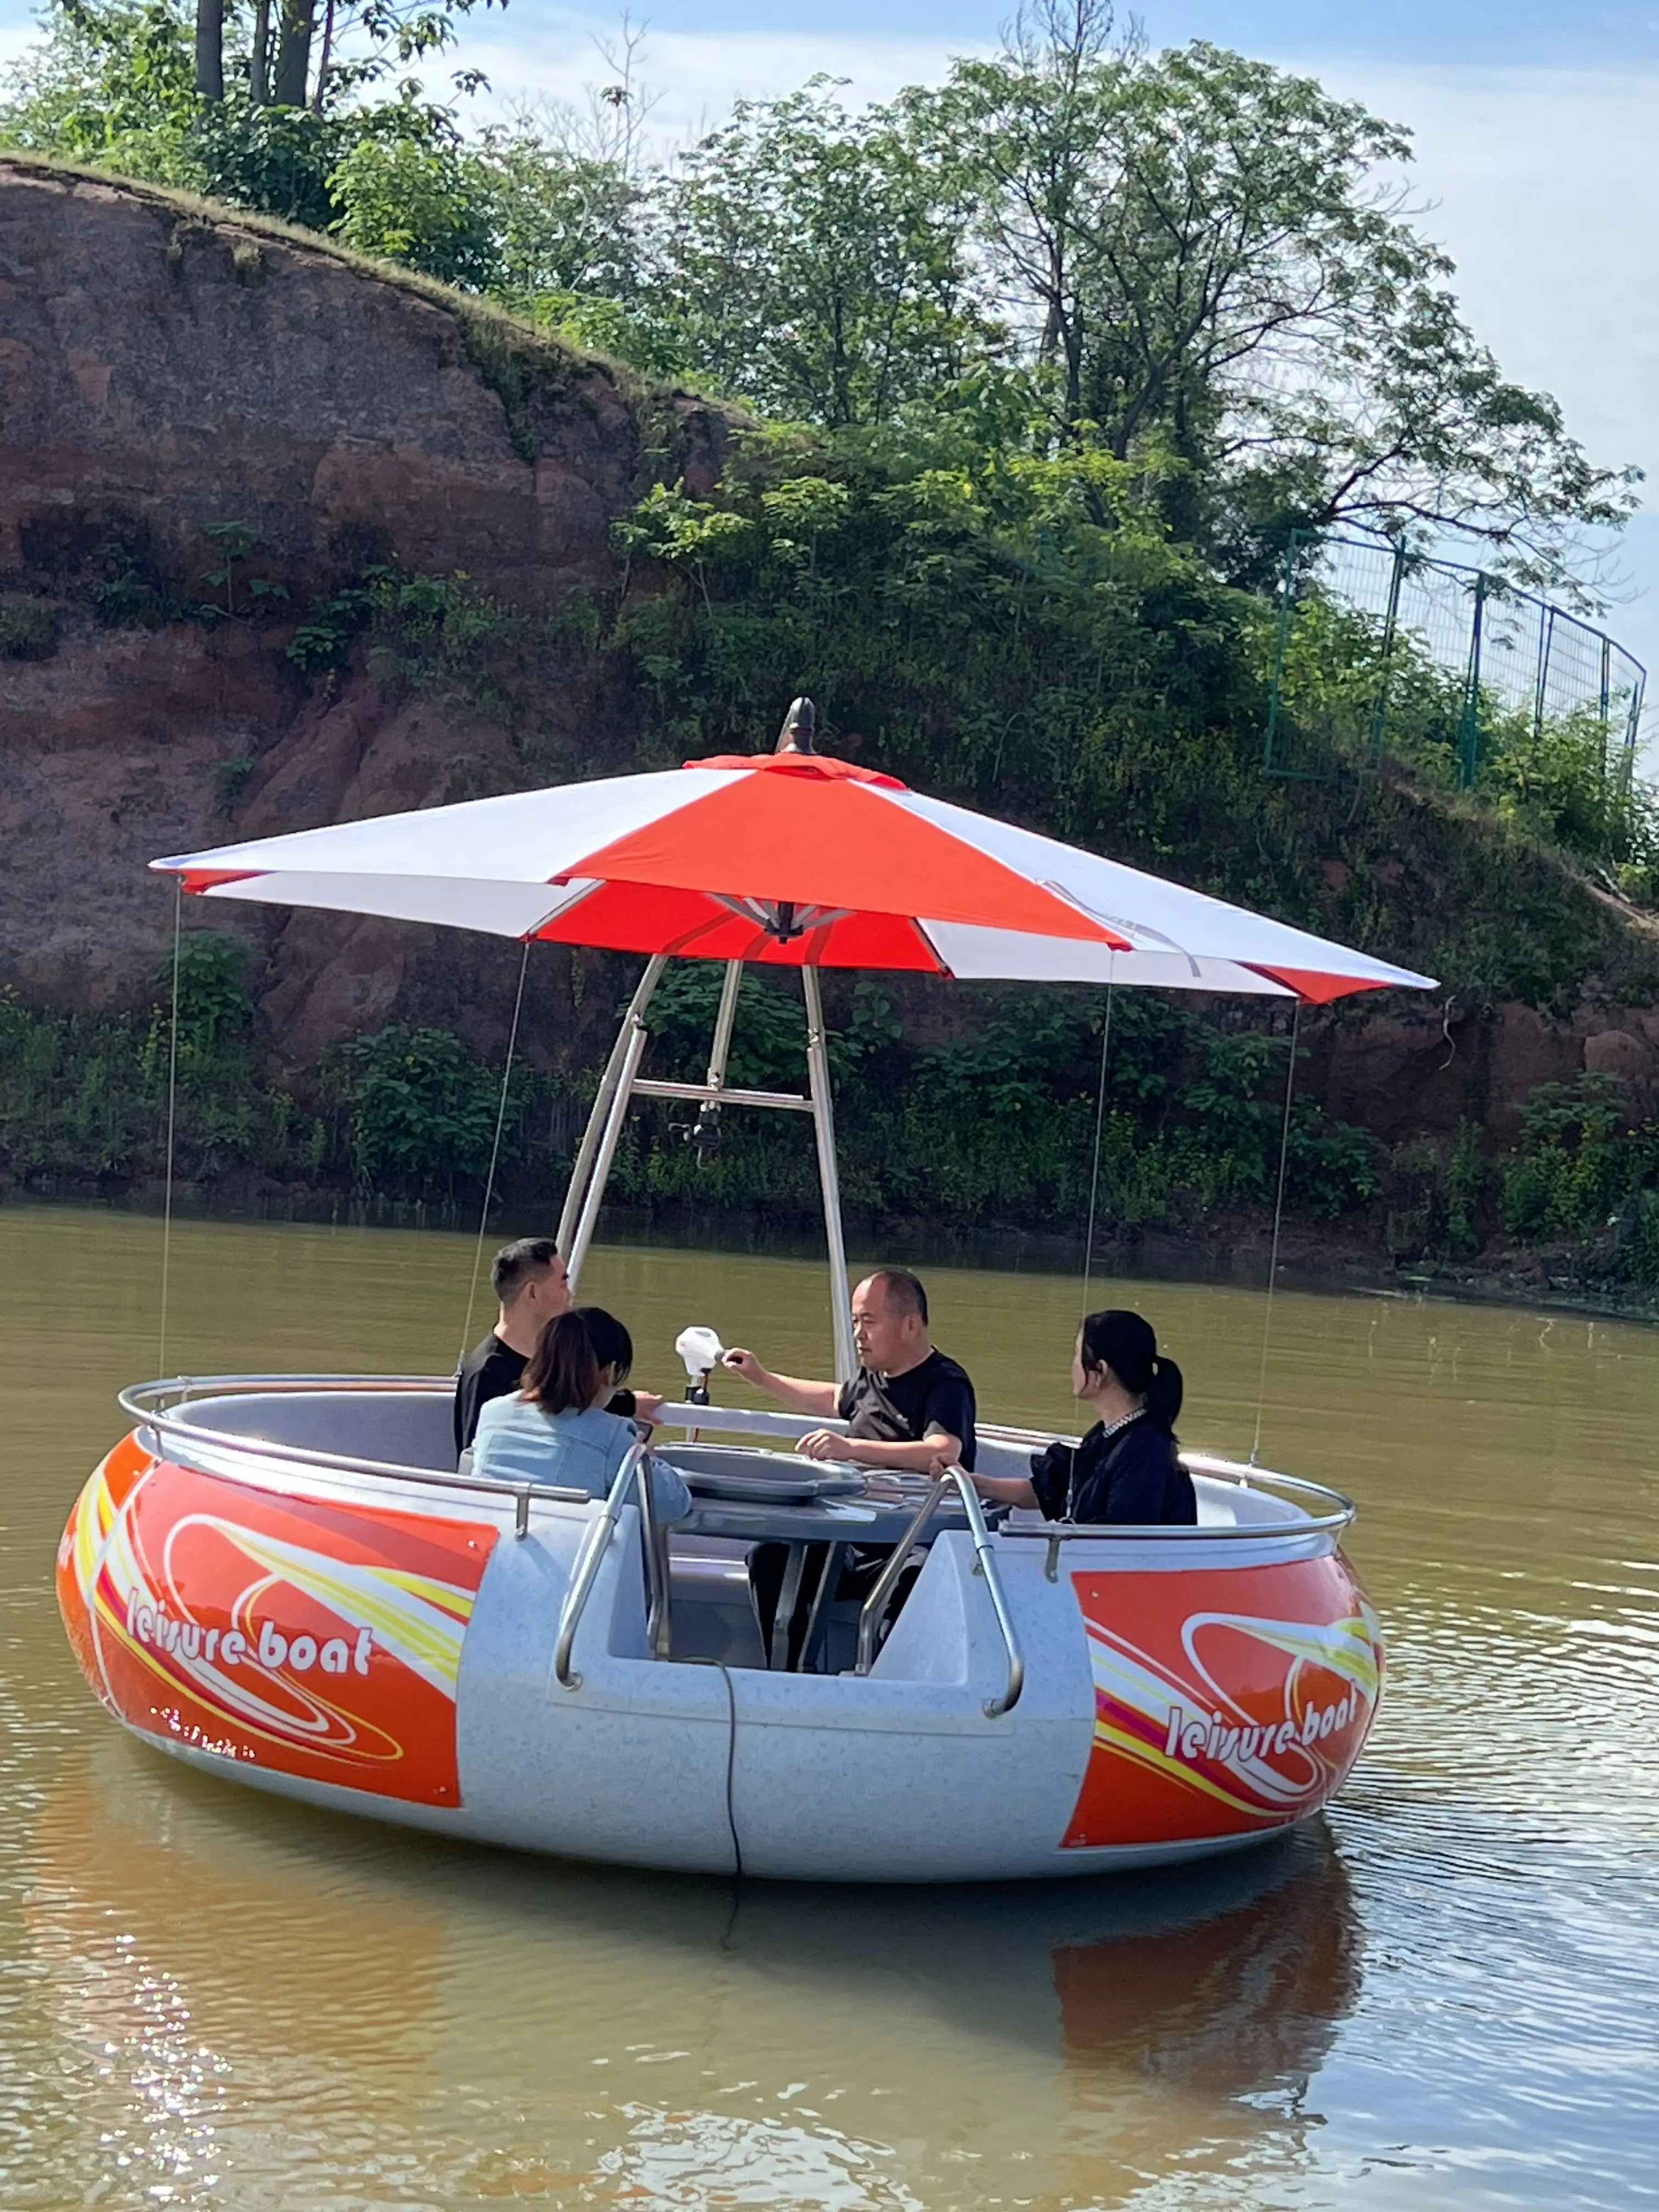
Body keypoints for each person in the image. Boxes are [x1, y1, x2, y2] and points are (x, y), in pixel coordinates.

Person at [724, 1269, 977, 1666]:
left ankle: (886, 1694)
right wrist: (762, 1377)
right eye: (856, 1321)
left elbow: (943, 1449)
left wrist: (850, 1448)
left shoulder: (946, 1384)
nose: (859, 1333)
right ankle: (789, 1678)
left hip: (907, 1545)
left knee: (917, 1580)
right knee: (770, 1558)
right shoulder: (870, 1379)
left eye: (869, 1322)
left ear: (910, 1325)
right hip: (849, 1540)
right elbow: (832, 1397)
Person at [968, 1309, 1195, 1526]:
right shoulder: (1107, 1435)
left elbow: (1120, 1541)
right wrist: (970, 1484)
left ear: (1101, 1372)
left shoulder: (1143, 1451)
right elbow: (1048, 1493)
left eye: (1077, 1355)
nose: (1073, 1366)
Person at [471, 1310, 691, 1521]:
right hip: (570, 1556)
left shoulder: (492, 1413)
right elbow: (673, 1505)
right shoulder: (612, 1437)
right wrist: (646, 1456)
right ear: (610, 1372)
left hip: (494, 1550)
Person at [453, 1238, 659, 1458]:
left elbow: (561, 1405)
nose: (570, 1295)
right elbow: (477, 1461)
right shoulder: (487, 1374)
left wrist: (627, 1404)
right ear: (532, 1293)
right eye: (563, 1284)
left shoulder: (546, 1361)